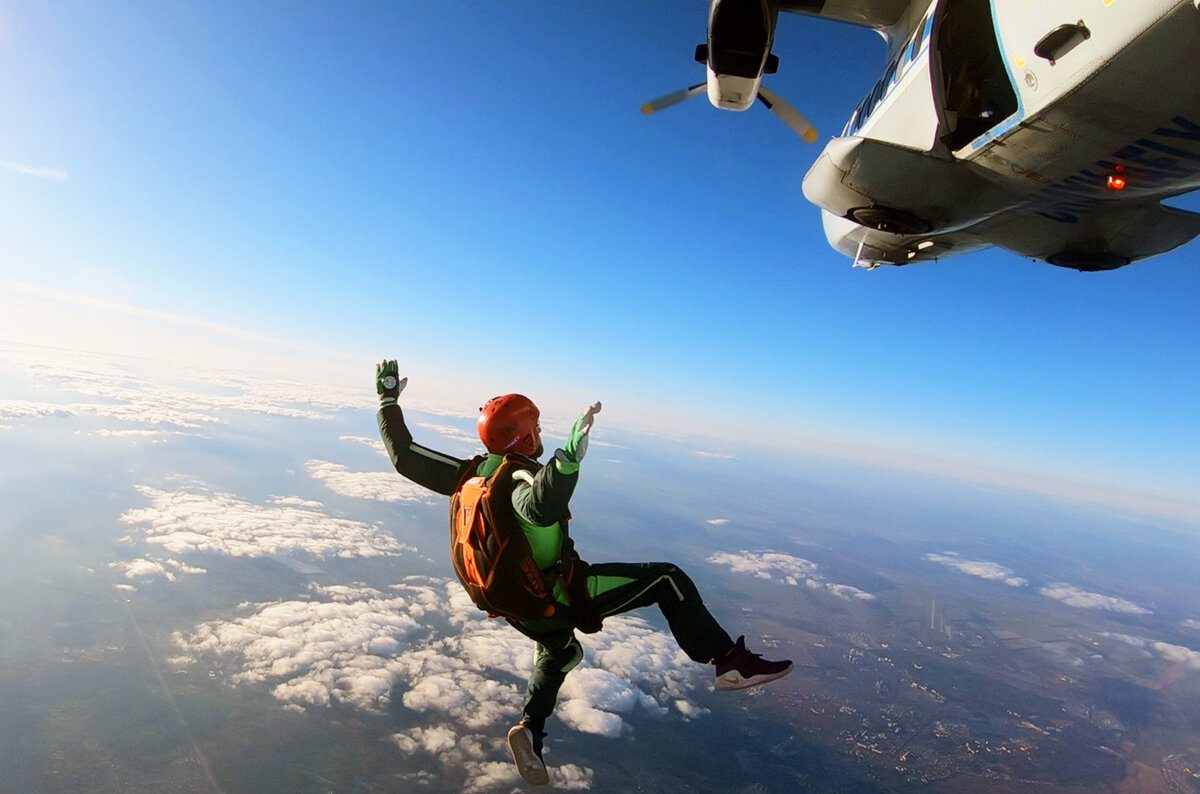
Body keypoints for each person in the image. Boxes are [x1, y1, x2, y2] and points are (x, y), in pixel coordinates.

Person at [374, 360, 792, 786]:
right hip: (556, 593)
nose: (540, 433)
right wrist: (566, 463)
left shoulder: (469, 474)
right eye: (534, 427)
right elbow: (537, 505)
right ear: (524, 436)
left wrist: (388, 400)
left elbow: (405, 456)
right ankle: (729, 664)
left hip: (515, 605)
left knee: (561, 652)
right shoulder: (518, 473)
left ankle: (531, 730)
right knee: (668, 579)